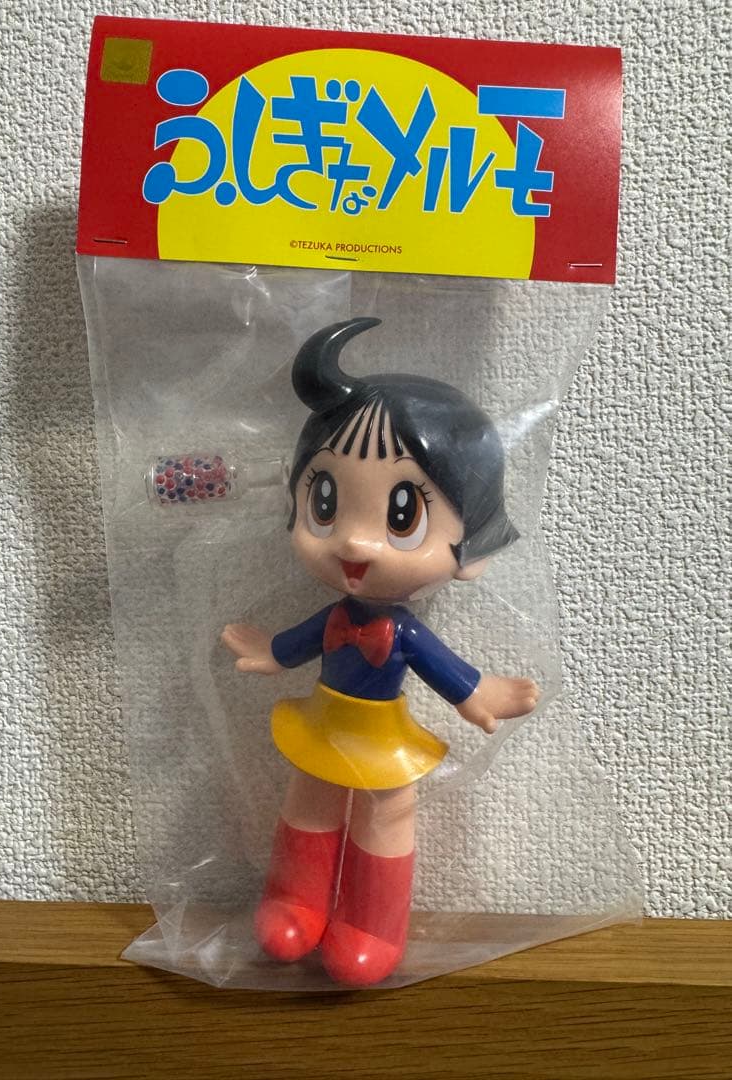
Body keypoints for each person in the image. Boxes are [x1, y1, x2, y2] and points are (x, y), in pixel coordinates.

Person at [222, 317, 539, 986]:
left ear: (472, 546)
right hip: (324, 724)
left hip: (381, 738)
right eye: (326, 500)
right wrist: (270, 651)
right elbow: (299, 642)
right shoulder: (338, 615)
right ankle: (295, 900)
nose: (354, 543)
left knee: (386, 812)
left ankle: (372, 923)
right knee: (308, 797)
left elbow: (445, 671)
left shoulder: (404, 632)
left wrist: (480, 693)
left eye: (401, 515)